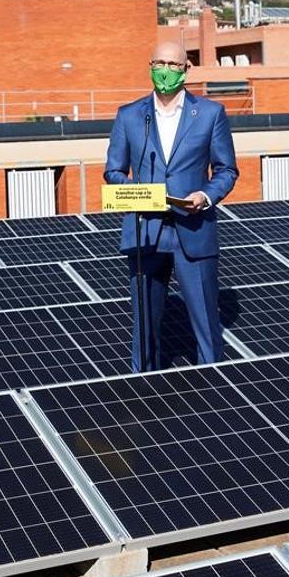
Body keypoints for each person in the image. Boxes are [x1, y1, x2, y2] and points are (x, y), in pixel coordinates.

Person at [104, 41, 238, 372]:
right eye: (159, 63)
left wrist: (205, 197)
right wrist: (138, 192)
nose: (165, 70)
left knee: (206, 323)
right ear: (150, 65)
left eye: (173, 65)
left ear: (186, 70)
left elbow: (226, 170)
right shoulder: (130, 115)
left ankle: (216, 385)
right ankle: (143, 387)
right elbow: (113, 171)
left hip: (192, 228)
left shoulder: (210, 114)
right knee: (145, 325)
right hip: (145, 232)